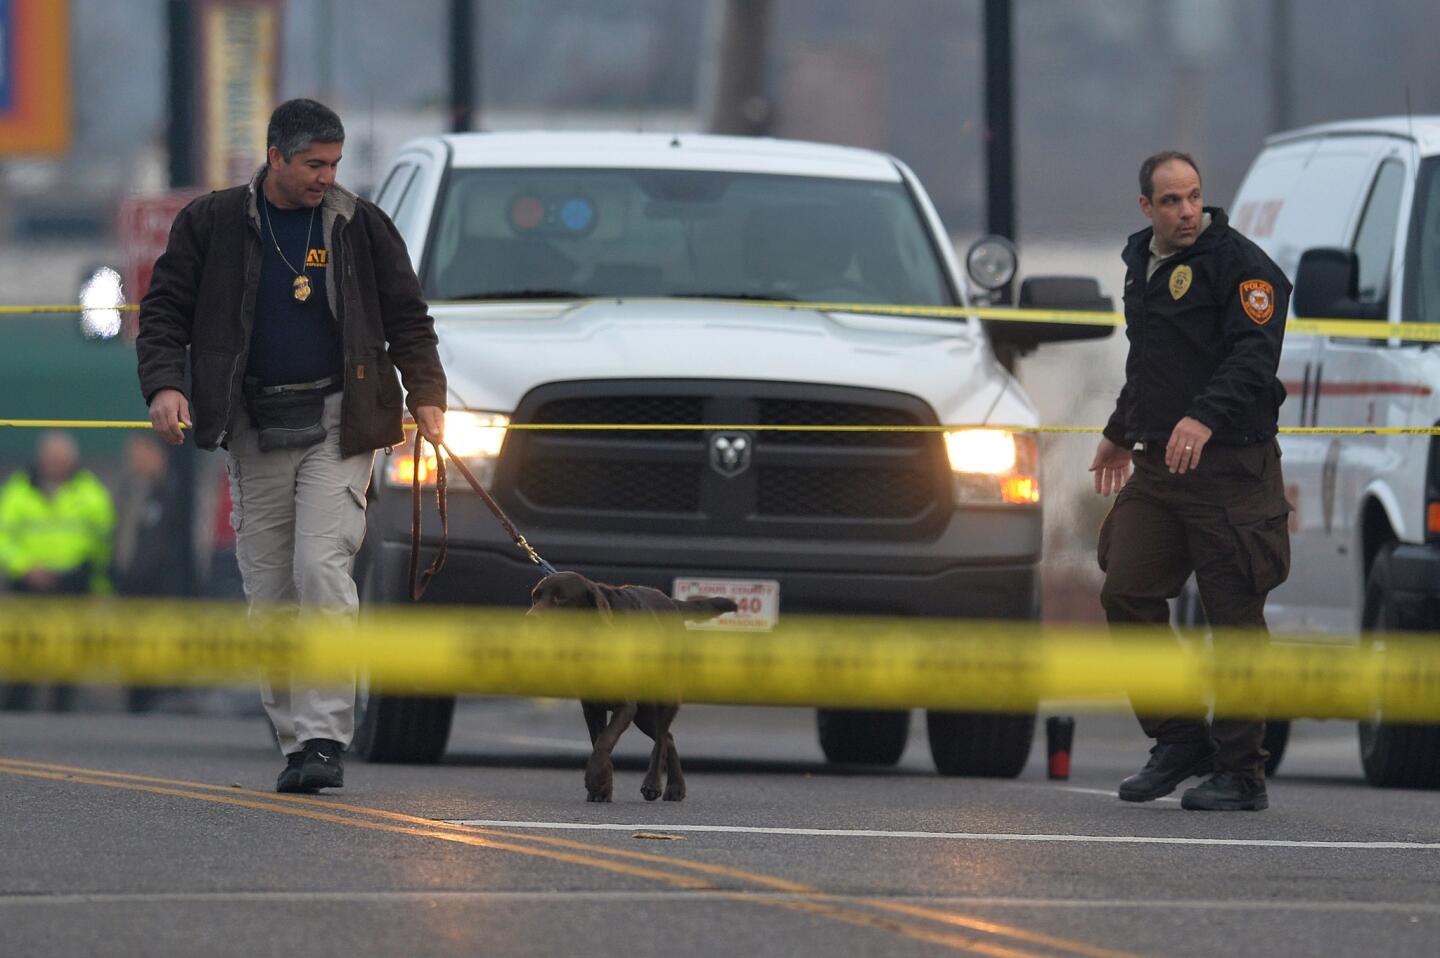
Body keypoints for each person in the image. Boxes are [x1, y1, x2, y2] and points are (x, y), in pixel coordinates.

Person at [136, 98, 446, 793]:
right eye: (314, 164)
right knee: (271, 594)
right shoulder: (210, 223)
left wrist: (427, 392)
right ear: (275, 157)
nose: (325, 177)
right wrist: (164, 386)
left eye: (333, 164)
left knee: (321, 569)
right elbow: (163, 313)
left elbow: (408, 318)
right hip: (253, 425)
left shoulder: (359, 224)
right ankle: (294, 738)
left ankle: (323, 737)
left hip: (343, 420)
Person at [1090, 150, 1292, 812]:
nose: (1186, 212)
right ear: (1146, 207)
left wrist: (1204, 418)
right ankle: (1179, 739)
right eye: (1171, 201)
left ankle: (1241, 774)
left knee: (1234, 619)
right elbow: (1151, 360)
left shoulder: (1242, 267)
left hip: (1232, 467)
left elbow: (1254, 357)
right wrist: (1121, 430)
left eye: (1194, 197)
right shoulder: (1141, 262)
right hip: (1160, 466)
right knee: (1126, 591)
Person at [0, 431, 116, 711]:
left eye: (60, 459)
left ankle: (61, 713)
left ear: (71, 461)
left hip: (73, 584)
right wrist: (25, 567)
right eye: (50, 458)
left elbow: (104, 544)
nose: (54, 464)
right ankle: (17, 709)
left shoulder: (91, 493)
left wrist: (98, 586)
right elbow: (4, 536)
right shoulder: (18, 491)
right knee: (23, 652)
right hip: (29, 584)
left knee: (68, 656)